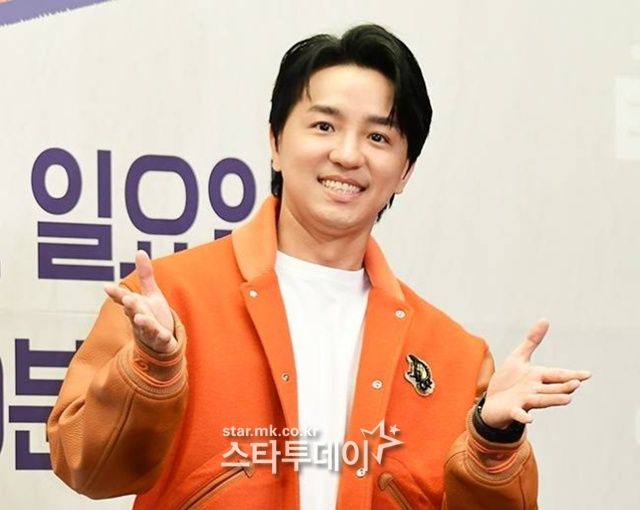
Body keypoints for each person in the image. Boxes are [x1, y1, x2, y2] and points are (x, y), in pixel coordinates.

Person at [47, 24, 590, 509]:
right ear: (275, 142)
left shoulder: (455, 357)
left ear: (404, 171)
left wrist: (493, 440)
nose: (348, 155)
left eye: (378, 137)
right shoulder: (169, 300)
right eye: (324, 126)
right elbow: (84, 466)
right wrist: (152, 369)